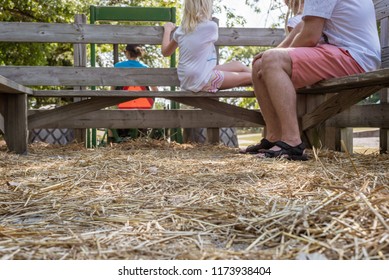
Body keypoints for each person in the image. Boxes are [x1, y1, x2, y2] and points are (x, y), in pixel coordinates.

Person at [247, 0, 381, 160]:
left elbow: (310, 36)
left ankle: (292, 142)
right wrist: (272, 54)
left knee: (272, 60)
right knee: (259, 64)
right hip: (343, 50)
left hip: (356, 55)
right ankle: (273, 136)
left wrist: (275, 57)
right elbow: (302, 28)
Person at [161, 0, 252, 93]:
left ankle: (260, 75)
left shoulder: (181, 30)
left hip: (188, 80)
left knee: (237, 65)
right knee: (252, 77)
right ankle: (264, 78)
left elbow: (165, 52)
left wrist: (167, 30)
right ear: (206, 7)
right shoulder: (211, 27)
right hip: (202, 81)